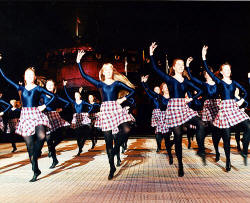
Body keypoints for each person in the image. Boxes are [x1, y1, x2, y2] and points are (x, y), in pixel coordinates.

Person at [77, 50, 135, 180]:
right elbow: (84, 75)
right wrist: (78, 62)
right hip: (105, 110)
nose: (108, 71)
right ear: (103, 72)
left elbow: (132, 91)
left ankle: (116, 150)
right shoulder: (99, 84)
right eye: (106, 70)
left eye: (110, 69)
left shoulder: (117, 83)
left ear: (112, 71)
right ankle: (111, 167)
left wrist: (123, 99)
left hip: (115, 108)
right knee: (108, 140)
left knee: (126, 129)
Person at [150, 42, 206, 177]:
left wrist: (191, 99)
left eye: (183, 65)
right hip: (173, 108)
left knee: (201, 123)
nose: (181, 67)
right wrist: (151, 54)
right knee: (178, 136)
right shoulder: (169, 79)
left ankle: (200, 149)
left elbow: (200, 90)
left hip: (184, 107)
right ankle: (180, 164)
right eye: (179, 65)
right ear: (174, 67)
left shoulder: (186, 81)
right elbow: (156, 69)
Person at [0, 67, 55, 182]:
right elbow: (6, 78)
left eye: (31, 74)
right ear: (24, 77)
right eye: (27, 74)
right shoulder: (20, 88)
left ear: (34, 77)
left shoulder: (39, 88)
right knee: (29, 146)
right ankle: (35, 170)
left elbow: (54, 96)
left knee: (41, 136)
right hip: (25, 116)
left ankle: (37, 153)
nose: (29, 76)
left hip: (36, 114)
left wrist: (44, 106)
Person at [202, 45, 250, 169]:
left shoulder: (234, 83)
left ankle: (244, 151)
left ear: (230, 71)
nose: (228, 71)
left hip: (234, 108)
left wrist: (241, 101)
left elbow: (245, 92)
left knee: (248, 126)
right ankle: (228, 161)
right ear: (222, 72)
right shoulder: (219, 82)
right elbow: (208, 70)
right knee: (227, 137)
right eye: (225, 69)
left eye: (229, 69)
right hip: (224, 110)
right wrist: (204, 57)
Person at [40, 79, 70, 168]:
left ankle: (52, 147)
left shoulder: (55, 96)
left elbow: (67, 103)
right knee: (49, 140)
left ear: (54, 87)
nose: (49, 86)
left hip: (55, 116)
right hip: (46, 117)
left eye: (51, 84)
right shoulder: (41, 95)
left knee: (64, 133)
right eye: (48, 84)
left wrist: (61, 109)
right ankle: (54, 160)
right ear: (45, 86)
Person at [63, 81, 93, 156]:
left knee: (84, 132)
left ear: (80, 96)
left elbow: (91, 106)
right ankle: (80, 148)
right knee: (78, 134)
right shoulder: (73, 102)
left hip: (83, 117)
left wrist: (87, 112)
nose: (75, 96)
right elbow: (67, 95)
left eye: (77, 95)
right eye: (75, 95)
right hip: (76, 118)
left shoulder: (83, 102)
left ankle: (82, 144)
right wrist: (64, 86)